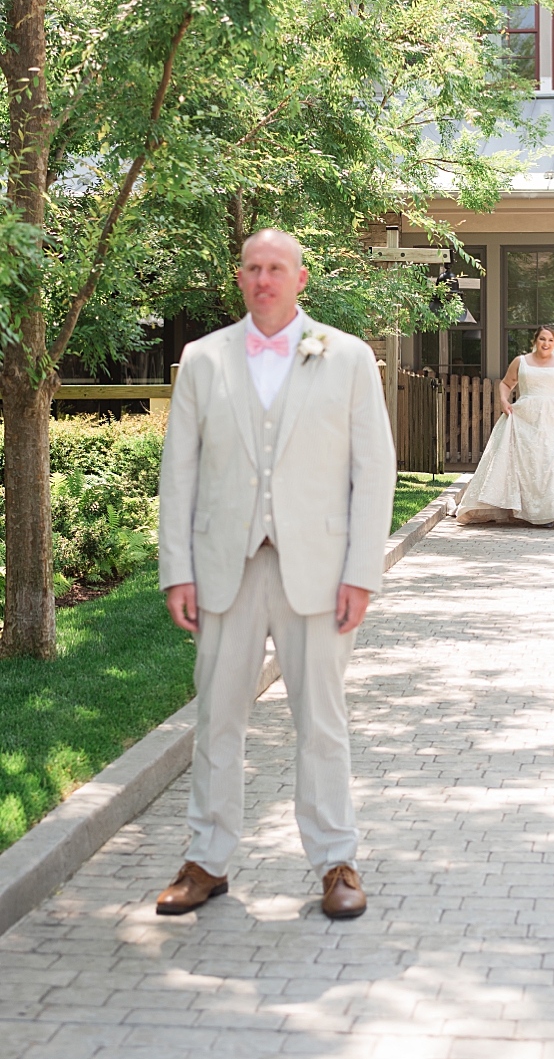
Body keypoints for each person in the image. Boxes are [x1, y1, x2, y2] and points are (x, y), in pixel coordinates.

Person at [156, 229, 396, 920]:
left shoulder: (348, 356)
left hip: (319, 571)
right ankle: (206, 859)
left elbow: (373, 471)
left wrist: (362, 572)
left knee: (322, 720)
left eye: (277, 268)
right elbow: (181, 472)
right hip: (223, 567)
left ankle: (336, 860)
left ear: (301, 276)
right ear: (240, 278)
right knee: (216, 717)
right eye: (254, 268)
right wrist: (179, 570)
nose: (265, 279)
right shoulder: (203, 359)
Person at [454, 326, 554, 526]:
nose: (546, 343)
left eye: (550, 340)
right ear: (535, 341)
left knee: (551, 464)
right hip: (525, 419)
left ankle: (552, 510)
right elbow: (506, 384)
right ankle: (521, 509)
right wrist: (503, 401)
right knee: (527, 463)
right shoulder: (520, 362)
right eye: (542, 339)